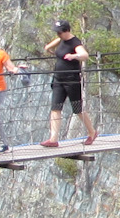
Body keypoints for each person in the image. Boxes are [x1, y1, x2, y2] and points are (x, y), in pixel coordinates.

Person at [41, 19, 98, 147]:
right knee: (55, 107)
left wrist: (74, 56)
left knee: (77, 109)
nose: (58, 35)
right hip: (58, 79)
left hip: (72, 80)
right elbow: (52, 45)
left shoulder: (75, 42)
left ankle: (92, 132)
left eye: (59, 32)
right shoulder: (61, 40)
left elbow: (84, 55)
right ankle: (53, 139)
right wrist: (49, 48)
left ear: (66, 31)